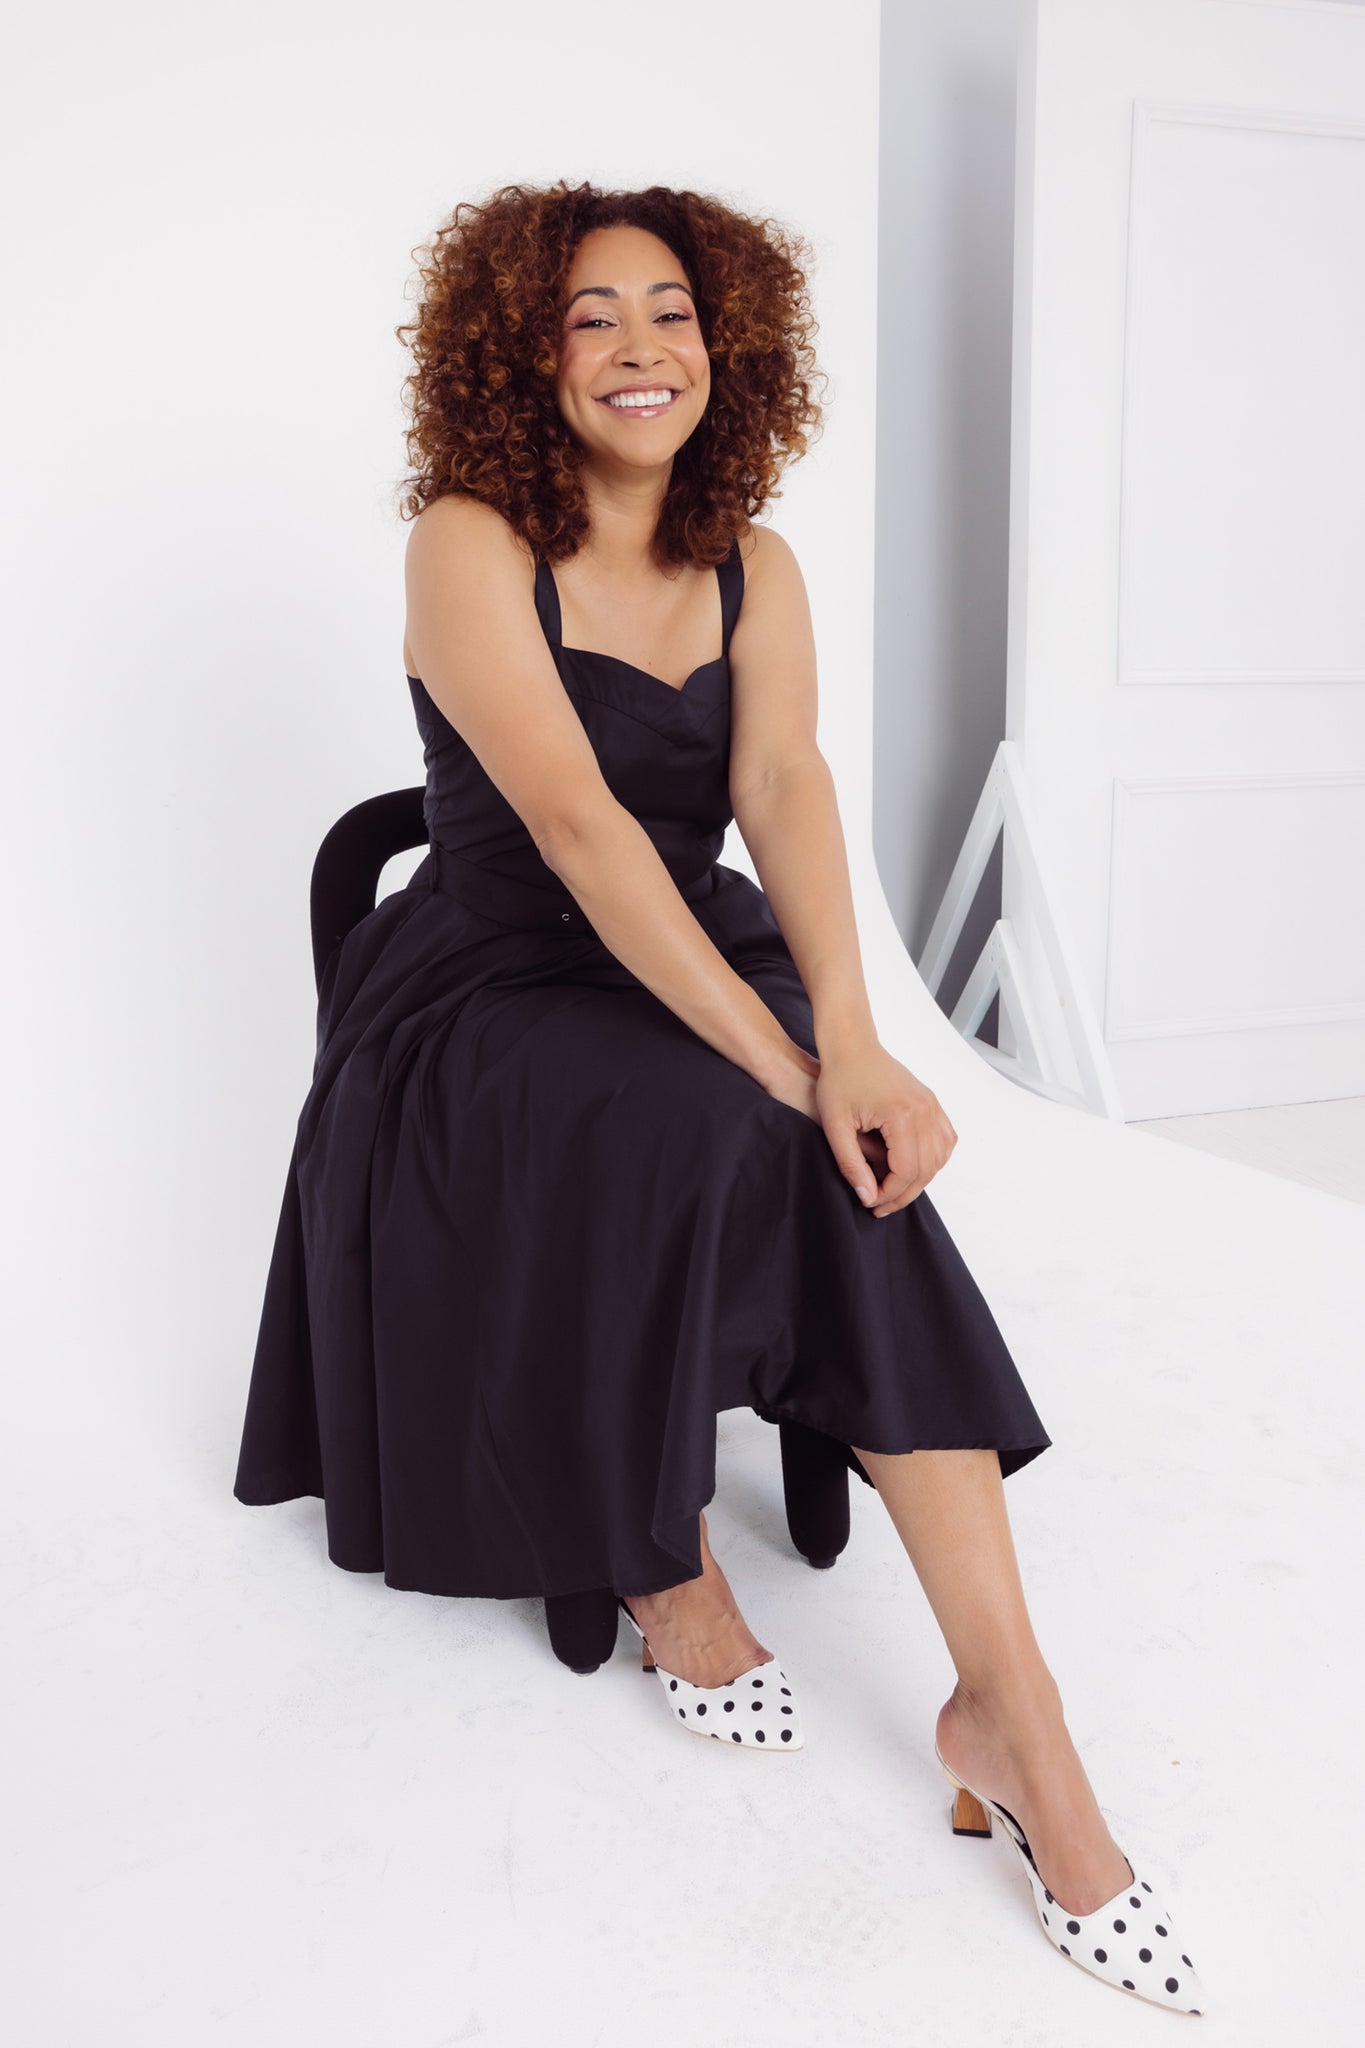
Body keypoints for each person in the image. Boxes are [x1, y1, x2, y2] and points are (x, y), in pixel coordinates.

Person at [233, 180, 1207, 2015]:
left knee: (851, 1166)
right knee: (746, 1127)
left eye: (668, 312)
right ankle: (655, 1541)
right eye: (591, 316)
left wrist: (852, 1033)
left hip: (697, 947)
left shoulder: (755, 554)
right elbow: (590, 839)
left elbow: (783, 785)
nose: (636, 347)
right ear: (524, 351)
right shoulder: (466, 537)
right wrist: (783, 1070)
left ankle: (1014, 1711)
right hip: (493, 989)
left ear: (722, 339)